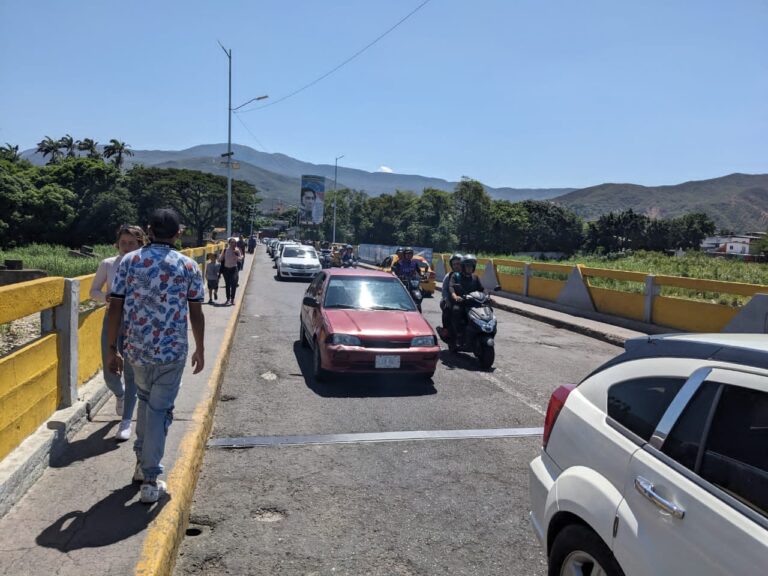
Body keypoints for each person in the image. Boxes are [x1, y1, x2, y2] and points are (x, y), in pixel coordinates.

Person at [106, 208, 205, 504]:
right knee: (159, 411)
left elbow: (115, 308)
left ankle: (140, 462)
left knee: (147, 405)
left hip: (136, 350)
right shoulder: (188, 266)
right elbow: (196, 312)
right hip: (172, 352)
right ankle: (150, 478)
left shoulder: (129, 262)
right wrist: (200, 347)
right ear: (178, 233)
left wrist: (112, 348)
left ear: (148, 230)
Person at [90, 225, 146, 441]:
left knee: (131, 372)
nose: (127, 247)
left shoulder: (145, 264)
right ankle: (120, 394)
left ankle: (125, 421)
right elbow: (92, 291)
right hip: (112, 319)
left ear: (140, 243)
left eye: (132, 243)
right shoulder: (108, 264)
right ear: (117, 243)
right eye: (123, 242)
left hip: (135, 322)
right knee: (109, 369)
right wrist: (106, 297)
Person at [448, 254, 484, 346]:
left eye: (471, 266)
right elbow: (451, 287)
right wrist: (455, 295)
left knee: (486, 311)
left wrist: (488, 296)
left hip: (474, 303)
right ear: (463, 267)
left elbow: (482, 289)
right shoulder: (455, 276)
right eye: (467, 266)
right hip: (461, 303)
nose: (469, 268)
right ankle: (459, 335)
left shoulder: (475, 278)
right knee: (456, 310)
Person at [440, 253, 463, 337]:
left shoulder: (467, 275)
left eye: (458, 264)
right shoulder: (449, 276)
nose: (456, 266)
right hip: (451, 300)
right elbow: (444, 289)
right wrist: (446, 299)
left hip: (465, 300)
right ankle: (446, 329)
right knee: (446, 309)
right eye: (454, 264)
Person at [219, 237, 242, 305]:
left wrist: (236, 255)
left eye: (234, 242)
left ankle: (232, 299)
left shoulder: (237, 250)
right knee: (227, 285)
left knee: (234, 284)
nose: (233, 244)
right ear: (229, 243)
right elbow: (220, 258)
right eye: (232, 242)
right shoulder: (225, 250)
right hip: (226, 269)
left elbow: (240, 259)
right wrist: (218, 259)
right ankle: (228, 299)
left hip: (234, 269)